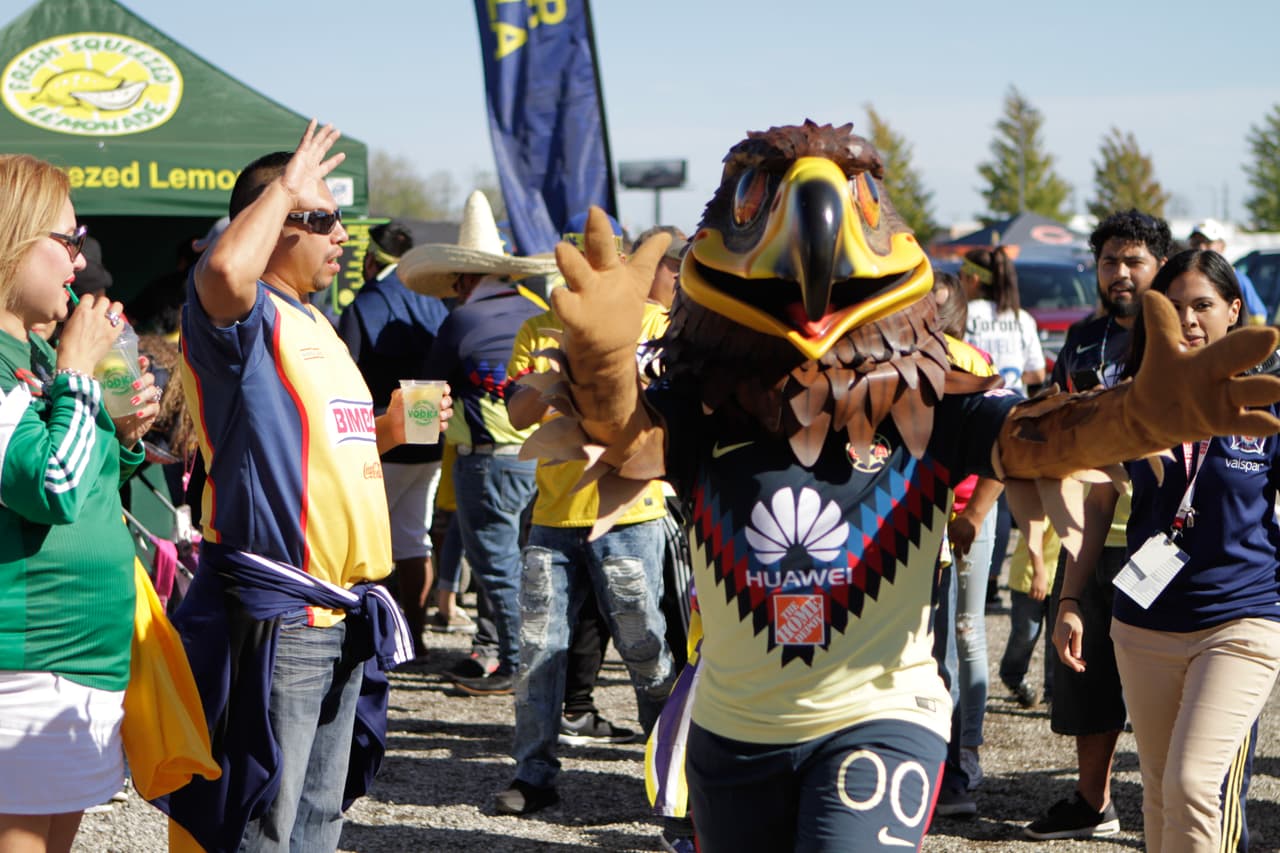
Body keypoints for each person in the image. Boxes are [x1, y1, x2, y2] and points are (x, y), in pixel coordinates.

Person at [163, 122, 447, 853]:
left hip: (338, 611)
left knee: (320, 817)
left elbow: (310, 454)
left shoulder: (316, 322)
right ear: (268, 225)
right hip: (283, 612)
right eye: (317, 219)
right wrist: (285, 183)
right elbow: (224, 273)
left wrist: (383, 433)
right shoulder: (244, 319)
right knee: (266, 819)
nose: (340, 235)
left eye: (338, 219)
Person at [1057, 248, 1280, 852]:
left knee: (1193, 784)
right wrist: (1072, 597)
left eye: (1203, 305)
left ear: (1234, 311)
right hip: (1144, 623)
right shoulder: (1129, 398)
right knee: (1157, 792)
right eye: (1174, 306)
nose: (1188, 319)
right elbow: (1095, 498)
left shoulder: (1268, 397)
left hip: (1240, 619)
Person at [0, 154, 160, 852]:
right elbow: (51, 489)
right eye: (67, 239)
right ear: (11, 239)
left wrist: (123, 435)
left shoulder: (35, 353)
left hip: (82, 660)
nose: (81, 258)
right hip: (28, 663)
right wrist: (75, 372)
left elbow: (89, 479)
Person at [497, 213, 677, 817]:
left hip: (631, 513)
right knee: (537, 647)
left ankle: (669, 769)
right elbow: (518, 415)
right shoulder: (537, 328)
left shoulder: (655, 323)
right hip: (553, 516)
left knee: (645, 643)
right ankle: (534, 774)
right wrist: (554, 372)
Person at [1025, 208, 1171, 841]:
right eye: (1110, 261)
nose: (1120, 273)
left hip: (1165, 537)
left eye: (1134, 260)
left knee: (1165, 674)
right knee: (1084, 676)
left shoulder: (1182, 338)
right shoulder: (1082, 339)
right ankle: (1093, 803)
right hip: (1090, 534)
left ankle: (1174, 806)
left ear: (1159, 267)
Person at [399, 189, 558, 696]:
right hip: (546, 457)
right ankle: (496, 651)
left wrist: (418, 445)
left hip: (486, 463)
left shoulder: (461, 321)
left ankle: (515, 665)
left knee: (497, 567)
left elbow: (425, 399)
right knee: (523, 566)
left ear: (466, 278)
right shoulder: (537, 310)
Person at [340, 221, 449, 660]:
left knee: (369, 540)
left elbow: (343, 374)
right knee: (413, 538)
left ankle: (377, 641)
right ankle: (415, 641)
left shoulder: (365, 304)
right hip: (430, 436)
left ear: (370, 260)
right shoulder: (434, 303)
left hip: (380, 437)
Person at [1188, 219, 1267, 323]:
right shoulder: (1184, 278)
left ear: (1222, 246)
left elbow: (1258, 317)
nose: (1201, 247)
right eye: (1196, 242)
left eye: (1208, 242)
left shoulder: (1237, 279)